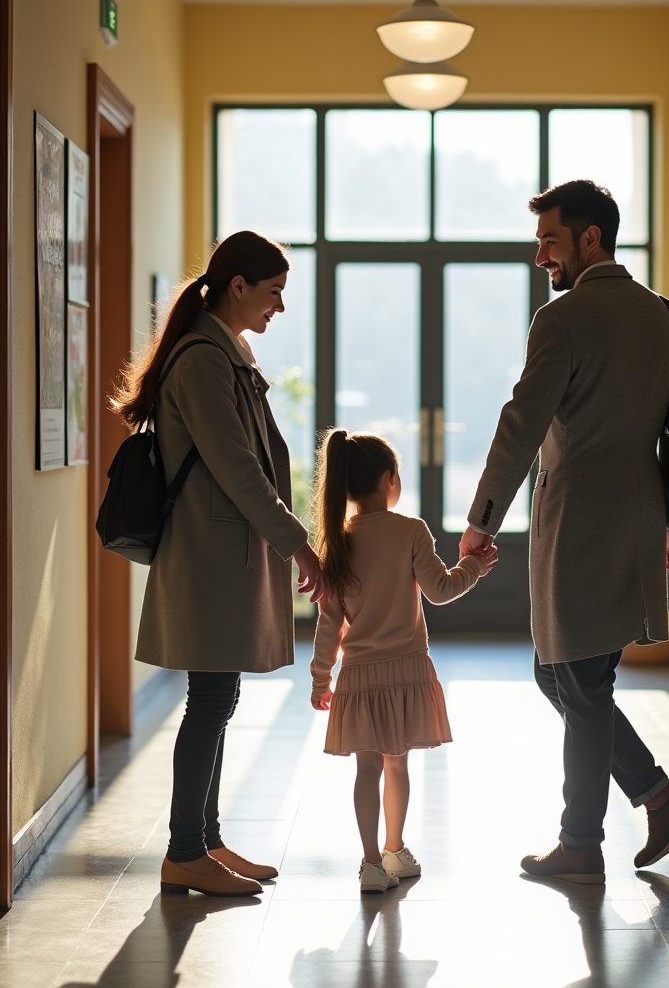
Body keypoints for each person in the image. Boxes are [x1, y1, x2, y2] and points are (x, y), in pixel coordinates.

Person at [459, 180, 669, 885]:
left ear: (590, 238)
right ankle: (659, 798)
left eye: (549, 239)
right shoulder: (661, 314)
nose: (541, 254)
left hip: (578, 524)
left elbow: (522, 423)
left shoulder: (562, 318)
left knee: (578, 676)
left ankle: (581, 843)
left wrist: (482, 520)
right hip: (636, 512)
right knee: (565, 672)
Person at [112, 231, 330, 897]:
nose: (279, 309)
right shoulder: (204, 359)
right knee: (209, 699)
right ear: (238, 286)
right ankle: (185, 850)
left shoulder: (224, 349)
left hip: (222, 549)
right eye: (273, 294)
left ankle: (204, 840)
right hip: (210, 552)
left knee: (217, 696)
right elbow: (237, 467)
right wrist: (298, 541)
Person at [310, 431, 496, 893]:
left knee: (366, 770)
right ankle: (395, 850)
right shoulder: (411, 530)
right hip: (406, 669)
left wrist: (320, 679)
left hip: (358, 676)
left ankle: (370, 863)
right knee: (398, 767)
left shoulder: (337, 541)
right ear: (390, 479)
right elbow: (441, 590)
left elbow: (329, 625)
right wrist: (474, 566)